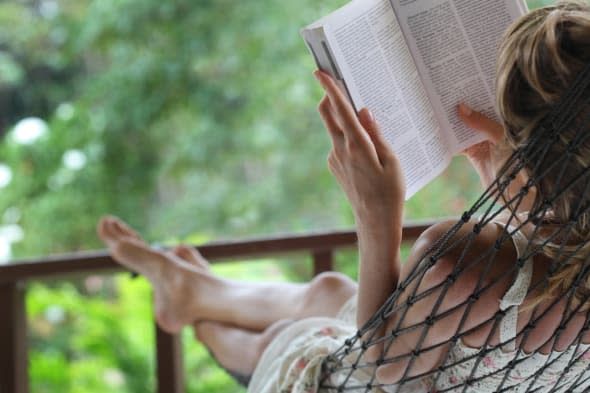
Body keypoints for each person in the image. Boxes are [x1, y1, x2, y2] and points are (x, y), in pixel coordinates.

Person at [97, 1, 590, 391]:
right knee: (328, 291)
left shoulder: (458, 262)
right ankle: (191, 292)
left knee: (285, 339)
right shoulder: (569, 257)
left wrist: (377, 216)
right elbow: (538, 274)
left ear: (534, 162)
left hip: (357, 381)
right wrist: (498, 174)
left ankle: (194, 312)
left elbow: (379, 368)